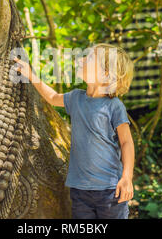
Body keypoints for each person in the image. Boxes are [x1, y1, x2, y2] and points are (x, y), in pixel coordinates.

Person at [13, 43, 135, 219]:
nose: (82, 59)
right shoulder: (76, 98)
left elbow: (126, 142)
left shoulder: (114, 106)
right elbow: (53, 98)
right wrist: (30, 74)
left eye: (90, 58)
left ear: (106, 74)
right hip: (80, 190)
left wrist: (126, 177)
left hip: (110, 190)